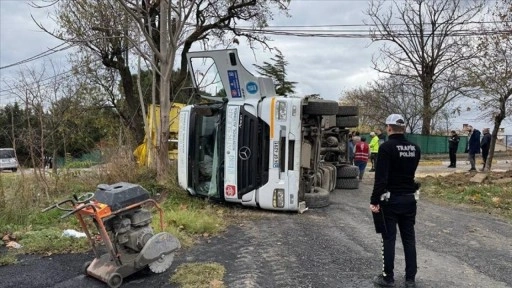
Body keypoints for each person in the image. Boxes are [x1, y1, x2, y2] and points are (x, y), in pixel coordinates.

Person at [370, 114, 421, 288]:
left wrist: (374, 200)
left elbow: (381, 179)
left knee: (389, 239)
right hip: (409, 199)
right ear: (404, 128)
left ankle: (388, 277)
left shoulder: (386, 148)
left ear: (389, 128)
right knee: (409, 239)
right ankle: (410, 279)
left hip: (390, 201)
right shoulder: (415, 148)